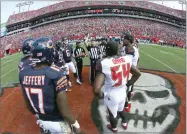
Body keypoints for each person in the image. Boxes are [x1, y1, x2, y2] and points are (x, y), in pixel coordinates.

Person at [19, 37, 83, 134]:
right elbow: (64, 111)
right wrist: (76, 124)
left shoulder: (23, 73)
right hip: (57, 123)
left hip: (42, 121)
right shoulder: (56, 73)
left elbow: (28, 105)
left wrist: (39, 116)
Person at [93, 41, 141, 132]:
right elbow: (137, 74)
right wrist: (128, 84)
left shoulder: (104, 62)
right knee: (121, 108)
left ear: (107, 50)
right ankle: (125, 122)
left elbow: (96, 89)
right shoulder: (126, 59)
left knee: (112, 115)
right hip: (123, 91)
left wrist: (101, 95)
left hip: (112, 94)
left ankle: (114, 128)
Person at [121, 32, 140, 112]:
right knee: (129, 87)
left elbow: (127, 63)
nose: (123, 40)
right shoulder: (134, 49)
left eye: (124, 39)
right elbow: (138, 59)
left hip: (127, 70)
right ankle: (127, 102)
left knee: (126, 88)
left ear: (128, 40)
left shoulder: (129, 49)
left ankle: (127, 104)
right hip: (131, 70)